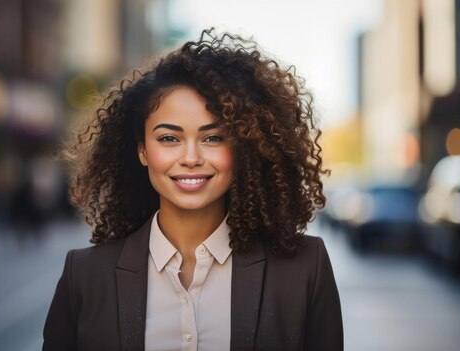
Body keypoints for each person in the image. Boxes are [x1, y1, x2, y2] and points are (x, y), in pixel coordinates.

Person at [43, 29, 343, 350]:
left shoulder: (304, 269)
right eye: (169, 138)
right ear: (142, 150)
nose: (190, 158)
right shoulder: (85, 276)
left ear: (242, 147)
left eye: (212, 137)